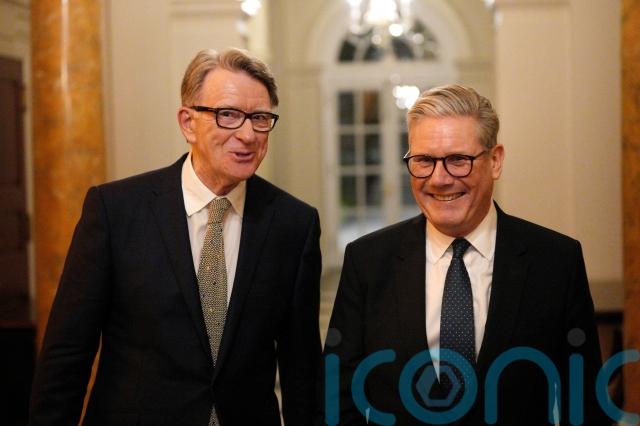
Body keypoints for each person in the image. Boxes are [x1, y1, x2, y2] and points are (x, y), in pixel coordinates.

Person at [30, 48, 322, 425]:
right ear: (188, 123)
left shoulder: (293, 224)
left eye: (260, 118)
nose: (248, 134)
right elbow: (67, 354)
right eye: (228, 115)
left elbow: (303, 369)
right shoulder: (115, 211)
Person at [321, 85, 609, 425]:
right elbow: (336, 401)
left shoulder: (555, 262)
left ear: (495, 160)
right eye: (424, 161)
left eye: (458, 160)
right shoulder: (368, 262)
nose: (439, 179)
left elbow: (585, 406)